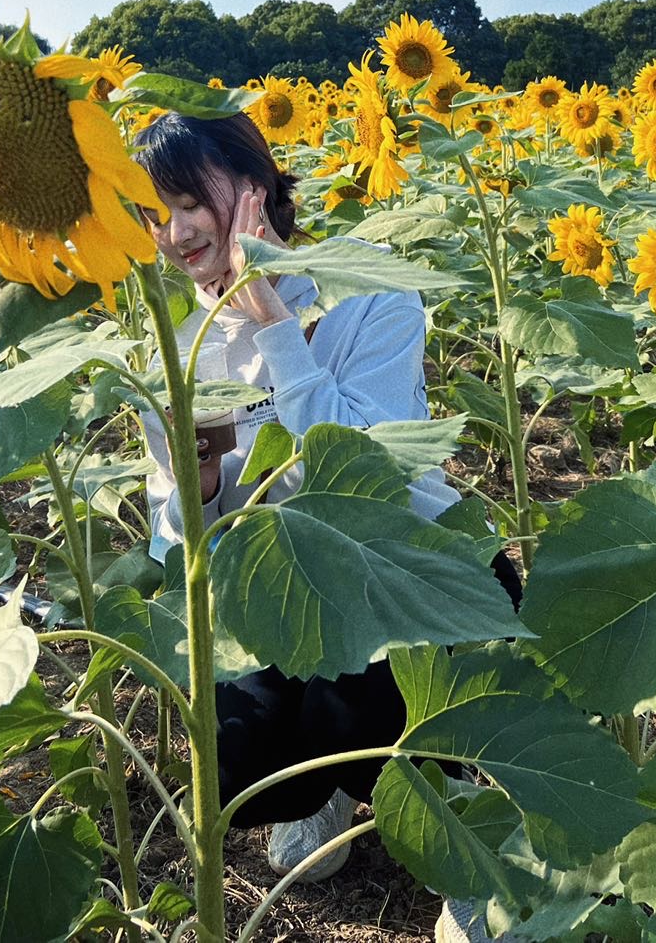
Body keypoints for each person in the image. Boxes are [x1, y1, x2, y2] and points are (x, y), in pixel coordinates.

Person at [134, 111, 518, 939]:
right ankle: (332, 789)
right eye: (154, 214)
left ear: (254, 185)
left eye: (188, 201)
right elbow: (172, 543)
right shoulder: (180, 339)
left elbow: (367, 477)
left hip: (405, 567)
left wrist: (271, 318)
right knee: (235, 749)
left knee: (402, 695)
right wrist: (196, 494)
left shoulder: (368, 287)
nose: (175, 231)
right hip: (280, 586)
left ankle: (459, 833)